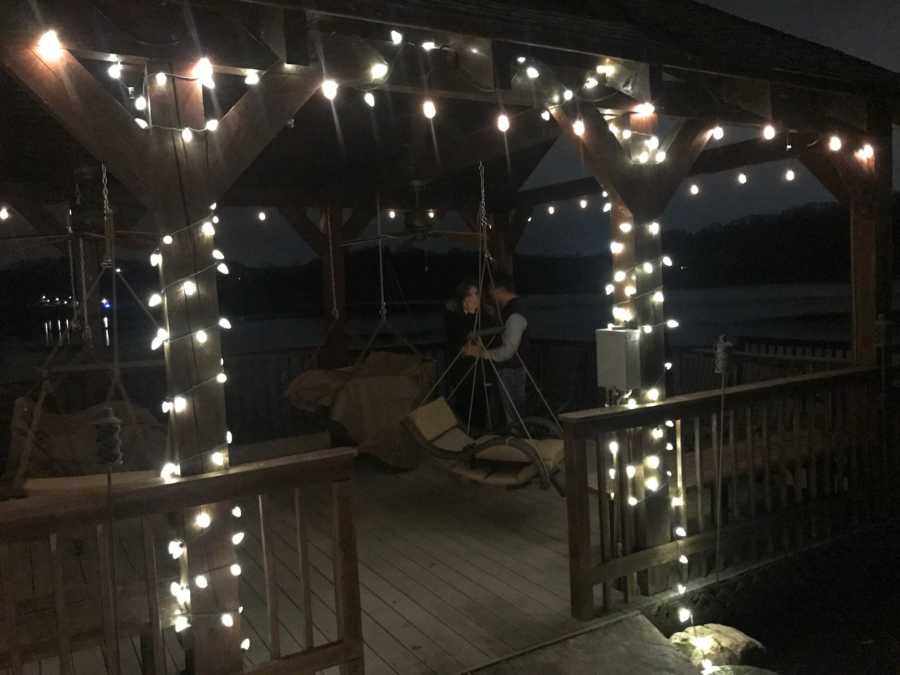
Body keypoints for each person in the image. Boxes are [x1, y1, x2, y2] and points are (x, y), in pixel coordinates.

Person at [464, 272, 529, 425]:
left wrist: (478, 352)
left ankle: (519, 443)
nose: (488, 294)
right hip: (507, 370)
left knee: (514, 417)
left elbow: (508, 351)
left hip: (512, 370)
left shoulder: (515, 313)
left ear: (497, 289)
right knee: (511, 414)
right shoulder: (506, 310)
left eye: (489, 290)